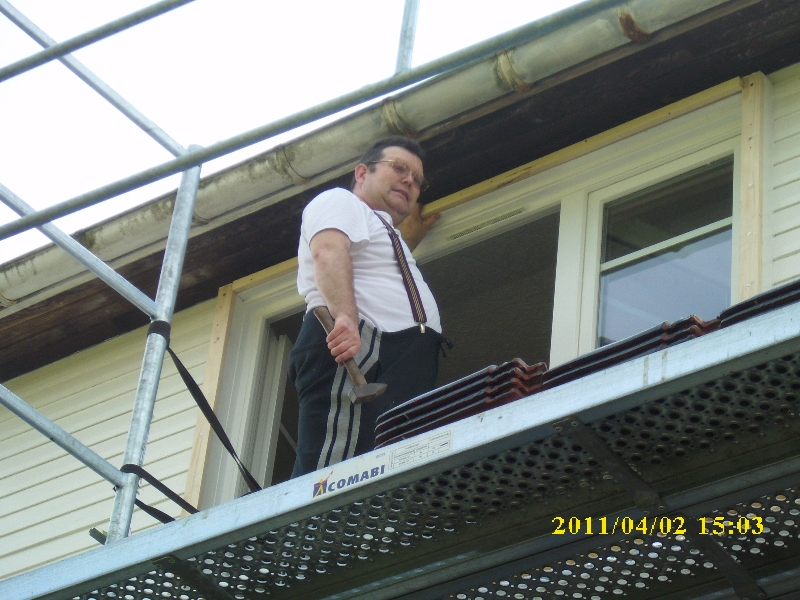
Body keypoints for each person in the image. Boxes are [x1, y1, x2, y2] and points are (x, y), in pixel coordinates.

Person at [289, 136, 445, 478]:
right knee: (332, 477)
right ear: (362, 173)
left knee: (386, 471)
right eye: (399, 168)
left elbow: (373, 266)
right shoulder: (339, 200)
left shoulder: (380, 227)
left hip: (403, 358)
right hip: (361, 347)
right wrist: (345, 317)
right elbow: (327, 251)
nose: (410, 181)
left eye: (418, 180)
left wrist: (405, 239)